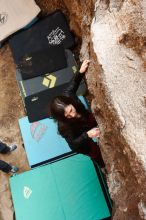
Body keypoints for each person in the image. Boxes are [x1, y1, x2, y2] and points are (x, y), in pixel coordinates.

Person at [50, 60, 104, 167]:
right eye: (67, 116)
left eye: (70, 110)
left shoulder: (68, 95)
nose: (72, 115)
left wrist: (80, 72)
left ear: (69, 102)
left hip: (84, 119)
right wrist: (87, 135)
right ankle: (102, 165)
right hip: (79, 137)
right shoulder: (64, 127)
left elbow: (73, 84)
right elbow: (74, 144)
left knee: (94, 120)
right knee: (95, 152)